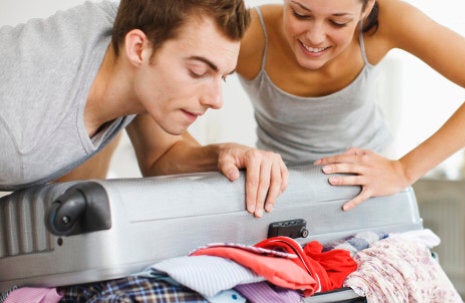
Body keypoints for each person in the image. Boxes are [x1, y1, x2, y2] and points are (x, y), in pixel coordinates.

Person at [0, 0, 287, 218]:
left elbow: (162, 155)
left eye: (222, 76)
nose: (216, 99)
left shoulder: (141, 41)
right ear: (138, 48)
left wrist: (226, 154)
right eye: (198, 71)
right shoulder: (15, 130)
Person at [235, 0, 465, 210]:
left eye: (338, 22)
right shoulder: (248, 34)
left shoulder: (389, 19)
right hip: (283, 188)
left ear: (366, 9)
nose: (314, 36)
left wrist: (403, 171)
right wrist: (219, 152)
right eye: (300, 13)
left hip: (372, 184)